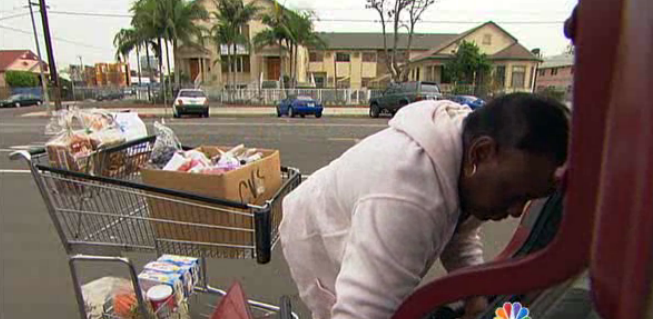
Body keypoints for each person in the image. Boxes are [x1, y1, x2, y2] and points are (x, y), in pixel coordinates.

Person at [279, 93, 570, 319]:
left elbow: (462, 231)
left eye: (529, 198)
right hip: (317, 233)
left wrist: (475, 295)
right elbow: (361, 312)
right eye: (512, 194)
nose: (517, 210)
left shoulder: (471, 158)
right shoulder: (407, 196)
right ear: (481, 153)